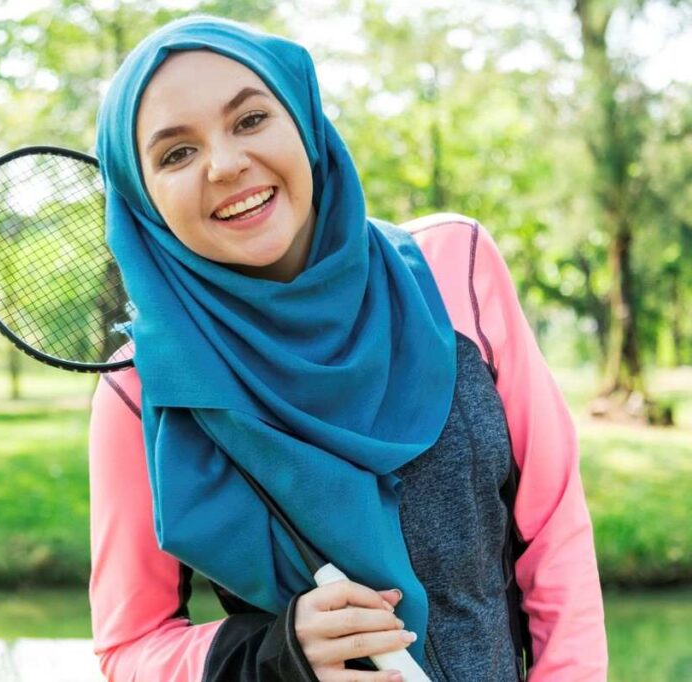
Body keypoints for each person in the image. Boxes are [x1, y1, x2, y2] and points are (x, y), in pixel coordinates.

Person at [87, 15, 607, 682]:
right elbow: (128, 647)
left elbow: (556, 532)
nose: (225, 164)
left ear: (303, 121)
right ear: (141, 197)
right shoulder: (141, 390)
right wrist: (273, 652)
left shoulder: (457, 266)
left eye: (250, 120)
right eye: (176, 154)